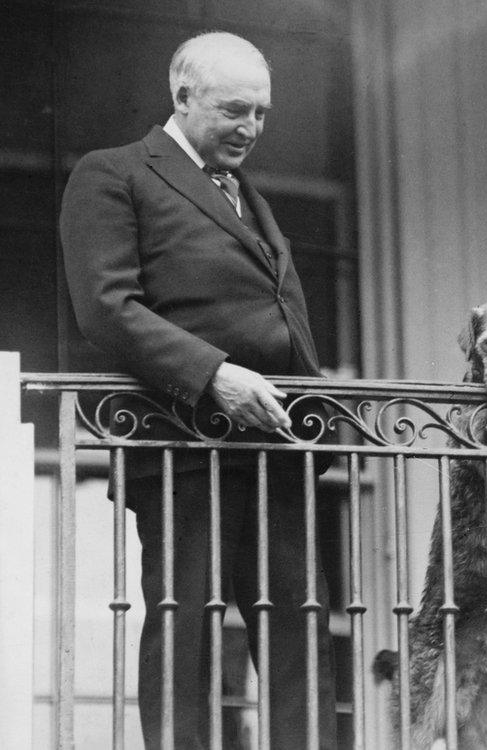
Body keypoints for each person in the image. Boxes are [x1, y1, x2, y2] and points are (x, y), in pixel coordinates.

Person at [59, 32, 337, 749]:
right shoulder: (114, 173)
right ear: (182, 97)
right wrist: (211, 374)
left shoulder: (248, 195)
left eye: (263, 113)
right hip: (186, 443)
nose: (252, 128)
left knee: (299, 633)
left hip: (276, 445)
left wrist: (319, 414)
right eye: (235, 110)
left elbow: (280, 310)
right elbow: (105, 308)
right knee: (188, 628)